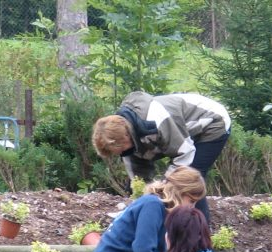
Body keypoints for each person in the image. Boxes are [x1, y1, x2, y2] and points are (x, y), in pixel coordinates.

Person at [92, 92, 231, 225]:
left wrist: (164, 188)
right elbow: (139, 178)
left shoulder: (156, 120)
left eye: (122, 149)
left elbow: (184, 152)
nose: (122, 153)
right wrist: (143, 196)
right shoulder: (129, 134)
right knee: (167, 189)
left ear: (127, 136)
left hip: (212, 122)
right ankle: (169, 225)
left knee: (189, 180)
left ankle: (200, 234)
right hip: (182, 131)